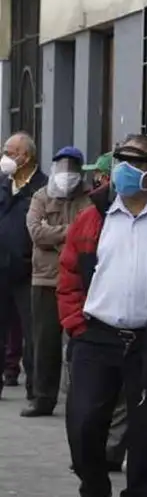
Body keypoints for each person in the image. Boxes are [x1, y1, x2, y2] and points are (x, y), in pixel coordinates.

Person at [58, 135, 147, 497]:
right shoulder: (93, 216)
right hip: (96, 336)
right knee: (83, 422)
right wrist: (76, 324)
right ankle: (92, 492)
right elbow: (67, 274)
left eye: (136, 161)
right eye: (121, 159)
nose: (125, 167)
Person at [21, 147, 90, 417]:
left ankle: (79, 396)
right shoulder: (41, 195)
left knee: (80, 341)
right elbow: (36, 232)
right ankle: (42, 397)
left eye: (72, 168)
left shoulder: (87, 198)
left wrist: (59, 236)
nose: (66, 174)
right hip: (45, 279)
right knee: (44, 341)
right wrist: (70, 233)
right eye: (61, 167)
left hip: (77, 280)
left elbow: (89, 234)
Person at [0, 132, 45, 401]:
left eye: (9, 151)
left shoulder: (42, 187)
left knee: (32, 332)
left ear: (25, 156)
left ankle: (35, 388)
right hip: (1, 268)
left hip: (28, 270)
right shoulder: (3, 183)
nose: (5, 156)